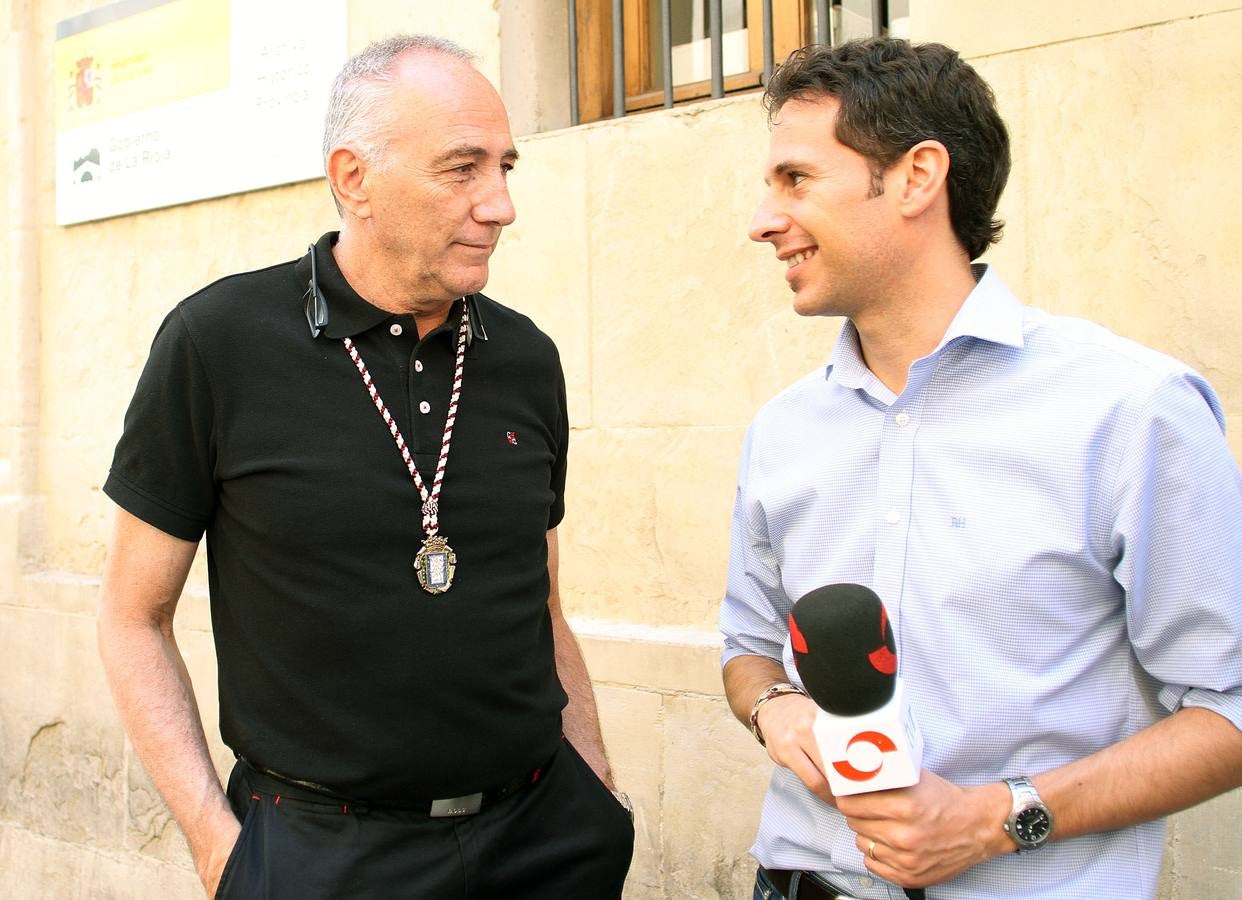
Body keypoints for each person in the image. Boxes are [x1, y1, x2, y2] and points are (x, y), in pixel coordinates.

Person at [97, 34, 633, 899]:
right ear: (354, 178)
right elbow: (132, 616)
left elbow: (540, 601)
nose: (500, 205)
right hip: (323, 857)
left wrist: (596, 787)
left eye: (505, 166)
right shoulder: (219, 342)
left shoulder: (526, 357)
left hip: (544, 841)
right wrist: (216, 843)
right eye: (462, 169)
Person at [720, 37, 1242, 900]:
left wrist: (995, 821)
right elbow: (747, 648)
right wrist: (776, 707)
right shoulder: (782, 430)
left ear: (919, 177)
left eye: (796, 180)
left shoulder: (1130, 407)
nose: (762, 218)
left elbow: (1230, 708)